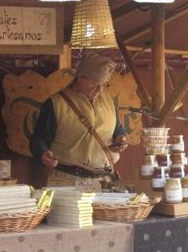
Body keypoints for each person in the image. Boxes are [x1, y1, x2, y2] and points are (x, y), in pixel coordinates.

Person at [30, 52, 128, 188]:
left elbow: (117, 127)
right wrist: (43, 154)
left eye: (104, 84)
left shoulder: (107, 101)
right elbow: (39, 138)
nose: (99, 89)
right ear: (80, 78)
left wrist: (120, 139)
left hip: (104, 181)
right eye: (95, 83)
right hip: (67, 180)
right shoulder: (56, 103)